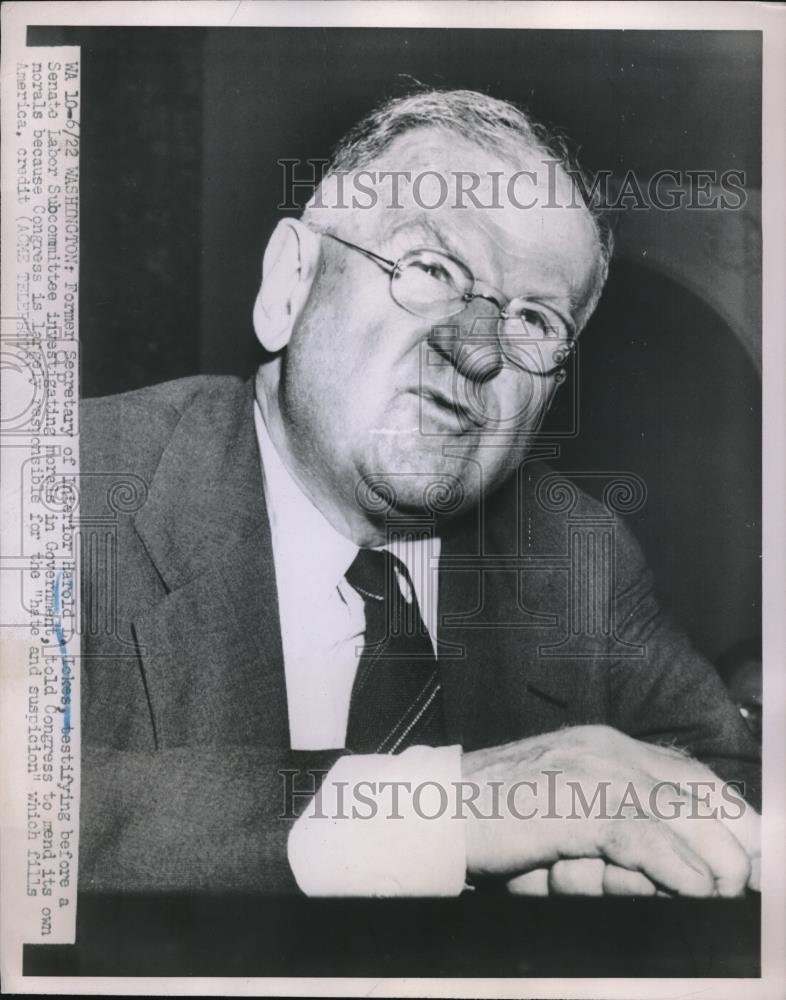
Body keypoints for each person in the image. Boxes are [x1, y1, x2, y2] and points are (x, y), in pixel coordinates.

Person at [79, 89, 760, 899]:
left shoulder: (577, 553)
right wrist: (447, 814)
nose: (477, 351)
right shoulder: (69, 490)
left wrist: (628, 853)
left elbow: (729, 784)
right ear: (288, 285)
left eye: (535, 320)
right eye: (432, 269)